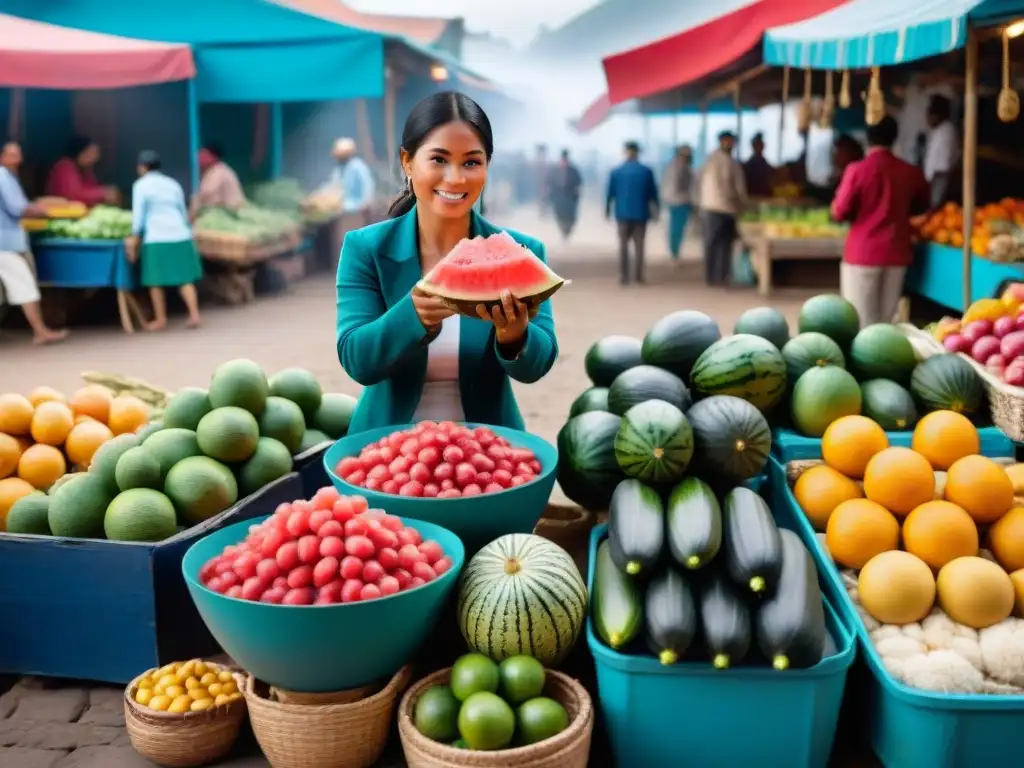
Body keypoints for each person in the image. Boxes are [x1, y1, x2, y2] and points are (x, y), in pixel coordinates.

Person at [334, 91, 558, 435]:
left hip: (486, 456)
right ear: (407, 162)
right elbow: (356, 360)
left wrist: (515, 337)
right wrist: (412, 315)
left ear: (487, 166)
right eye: (438, 159)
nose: (455, 178)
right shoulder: (365, 249)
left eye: (471, 162)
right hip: (387, 453)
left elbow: (536, 366)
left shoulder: (525, 250)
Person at [831, 115, 930, 326]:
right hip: (896, 252)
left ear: (868, 138)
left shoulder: (856, 170)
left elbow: (839, 211)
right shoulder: (910, 172)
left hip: (862, 253)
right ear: (895, 137)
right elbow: (922, 206)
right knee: (886, 325)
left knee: (858, 324)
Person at [0, 141, 69, 345]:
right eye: (12, 155)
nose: (17, 159)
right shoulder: (3, 176)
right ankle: (41, 332)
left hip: (7, 241)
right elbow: (17, 208)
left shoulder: (10, 178)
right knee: (25, 286)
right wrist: (45, 211)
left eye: (18, 154)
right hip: (6, 243)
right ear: (2, 157)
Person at [127, 150, 202, 330]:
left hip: (156, 236)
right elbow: (182, 211)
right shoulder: (172, 184)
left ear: (143, 167)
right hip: (180, 234)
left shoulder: (140, 186)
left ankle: (161, 319)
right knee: (185, 278)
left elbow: (138, 217)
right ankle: (194, 314)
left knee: (155, 280)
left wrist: (134, 239)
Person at [698, 130, 747, 286]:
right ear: (722, 141)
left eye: (731, 141)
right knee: (721, 245)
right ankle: (718, 277)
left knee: (714, 244)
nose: (730, 144)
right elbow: (730, 187)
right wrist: (742, 204)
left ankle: (714, 276)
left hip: (710, 207)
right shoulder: (725, 161)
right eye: (727, 141)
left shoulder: (710, 160)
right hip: (722, 208)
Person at [606, 141, 658, 285]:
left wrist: (607, 209)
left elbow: (610, 193)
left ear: (625, 152)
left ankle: (623, 275)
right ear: (637, 152)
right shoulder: (646, 171)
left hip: (622, 214)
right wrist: (656, 209)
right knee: (639, 246)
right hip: (641, 214)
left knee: (623, 246)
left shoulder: (616, 171)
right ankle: (639, 276)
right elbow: (653, 193)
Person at [44, 135, 119, 207]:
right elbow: (73, 195)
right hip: (60, 211)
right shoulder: (65, 166)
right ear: (79, 151)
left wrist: (106, 191)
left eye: (96, 153)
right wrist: (102, 193)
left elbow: (91, 188)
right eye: (89, 152)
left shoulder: (86, 168)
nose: (93, 157)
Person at [189, 143, 246, 219]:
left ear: (213, 157)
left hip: (230, 215)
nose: (199, 158)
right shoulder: (211, 171)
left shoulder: (219, 172)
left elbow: (207, 193)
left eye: (203, 155)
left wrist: (193, 213)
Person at [924, 94, 959, 209]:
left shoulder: (947, 131)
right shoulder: (938, 131)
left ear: (936, 115)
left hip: (940, 181)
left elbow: (942, 167)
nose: (927, 118)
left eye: (929, 114)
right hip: (934, 181)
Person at [661, 145, 694, 260]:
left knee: (677, 229)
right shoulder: (679, 167)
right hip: (679, 201)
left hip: (677, 201)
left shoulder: (676, 166)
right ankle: (674, 252)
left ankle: (675, 252)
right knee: (677, 229)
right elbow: (678, 186)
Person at [547, 150, 583, 240]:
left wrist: (576, 194)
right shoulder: (554, 170)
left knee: (571, 217)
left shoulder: (573, 171)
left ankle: (567, 231)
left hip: (570, 198)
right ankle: (563, 231)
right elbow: (548, 183)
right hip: (558, 198)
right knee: (559, 216)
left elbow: (579, 183)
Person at [743, 133, 775, 198]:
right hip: (755, 195)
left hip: (764, 195)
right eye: (758, 144)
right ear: (754, 146)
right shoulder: (751, 163)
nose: (760, 146)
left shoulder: (762, 161)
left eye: (761, 144)